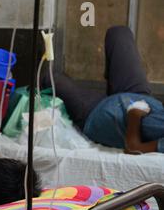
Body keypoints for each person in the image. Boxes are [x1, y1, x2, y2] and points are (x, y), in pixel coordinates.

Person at [42, 26, 164, 154]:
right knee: (119, 33)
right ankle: (113, 85)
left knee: (51, 79)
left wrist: (134, 115)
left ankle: (108, 92)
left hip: (102, 115)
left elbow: (133, 148)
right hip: (140, 97)